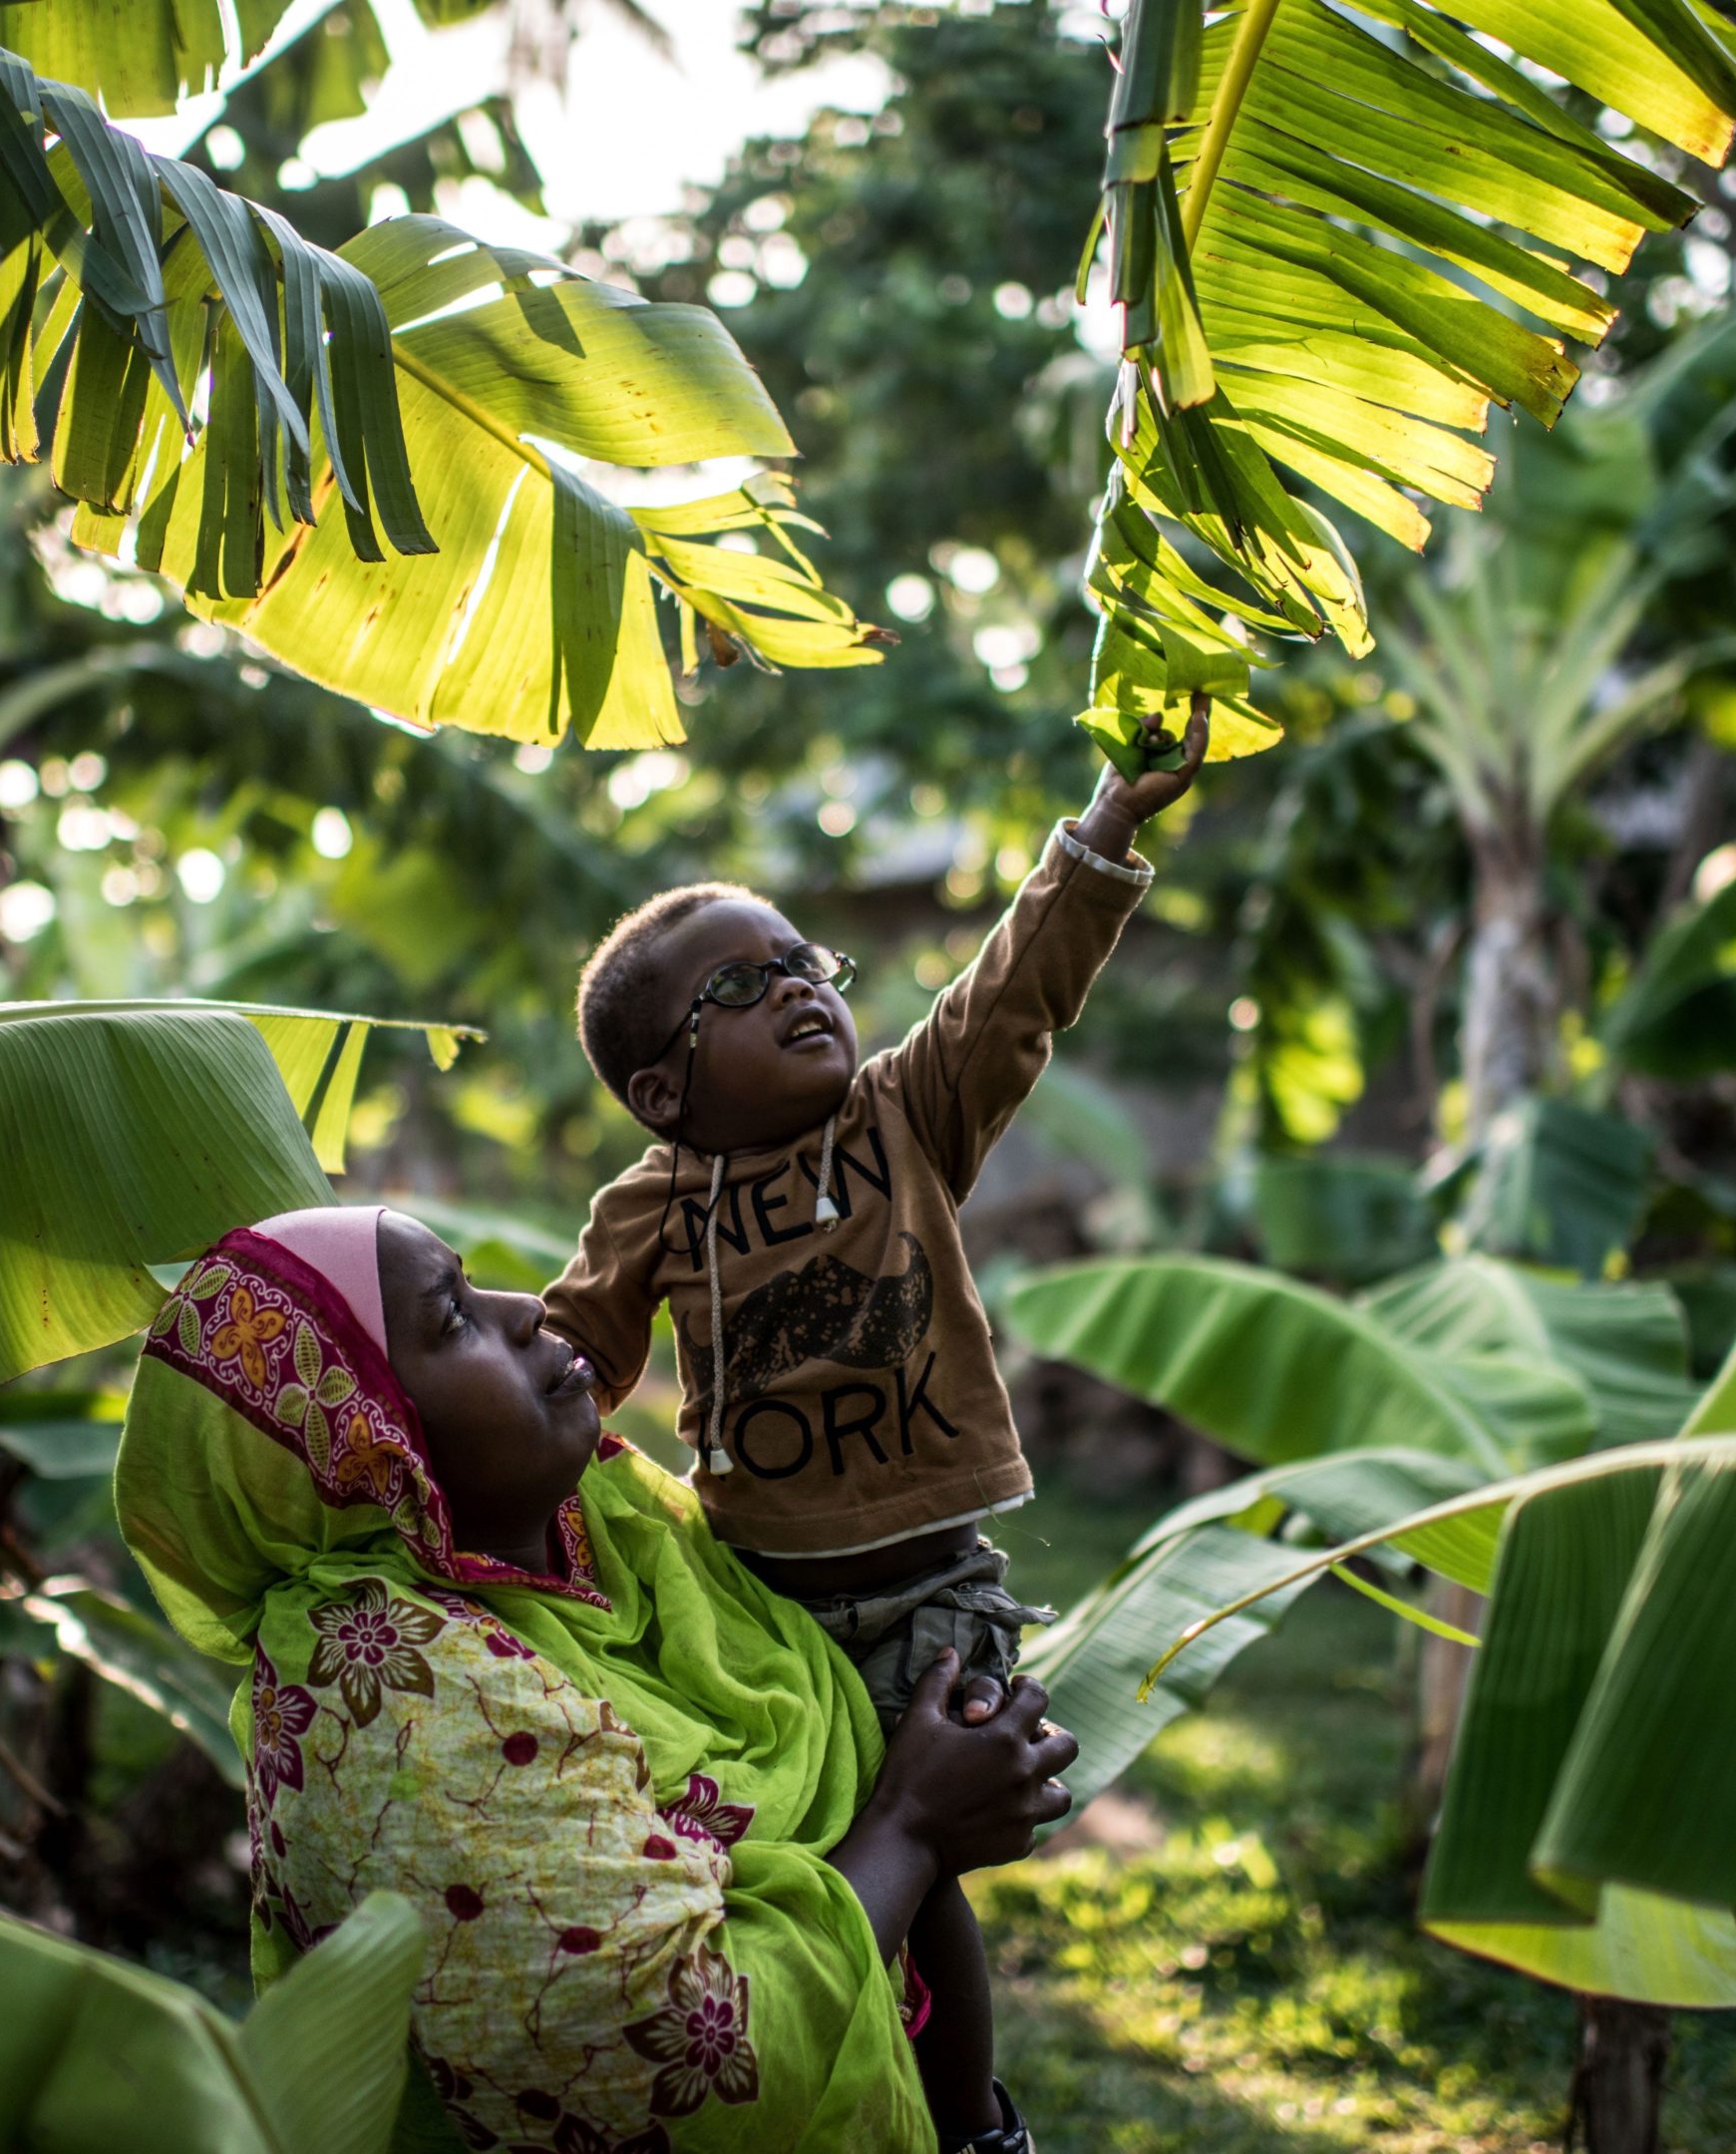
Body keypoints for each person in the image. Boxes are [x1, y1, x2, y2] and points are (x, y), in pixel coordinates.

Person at [538, 703, 1210, 2140]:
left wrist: (1101, 835)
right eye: (741, 984)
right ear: (664, 1089)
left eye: (803, 961)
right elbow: (569, 1363)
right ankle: (844, 2092)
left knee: (935, 1880)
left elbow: (1009, 994)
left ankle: (972, 2125)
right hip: (759, 1607)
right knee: (810, 1862)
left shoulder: (903, 1120)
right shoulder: (648, 1207)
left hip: (926, 1599)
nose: (796, 987)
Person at [118, 1204, 1080, 2153]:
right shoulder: (383, 1694)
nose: (524, 1309)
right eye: (453, 1318)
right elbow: (677, 2073)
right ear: (363, 1443)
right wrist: (911, 1828)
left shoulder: (615, 1538)